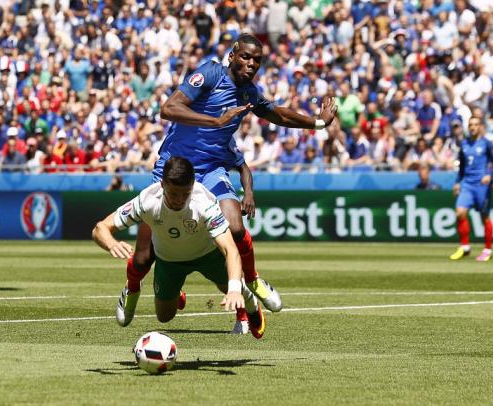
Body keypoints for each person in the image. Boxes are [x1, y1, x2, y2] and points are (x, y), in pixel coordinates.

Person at [118, 32, 337, 334]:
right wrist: (216, 121)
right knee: (144, 256)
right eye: (245, 57)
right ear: (233, 55)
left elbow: (278, 115)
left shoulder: (249, 94)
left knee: (235, 227)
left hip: (210, 170)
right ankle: (132, 289)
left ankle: (253, 281)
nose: (250, 64)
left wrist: (319, 122)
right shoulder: (210, 73)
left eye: (257, 60)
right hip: (173, 170)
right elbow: (168, 109)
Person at [92, 157, 265, 338]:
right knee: (164, 317)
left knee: (234, 289)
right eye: (174, 194)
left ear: (193, 185)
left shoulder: (204, 203)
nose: (180, 200)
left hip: (208, 256)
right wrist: (112, 243)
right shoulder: (147, 200)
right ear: (162, 185)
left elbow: (231, 250)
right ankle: (172, 293)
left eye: (185, 193)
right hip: (169, 262)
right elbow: (100, 228)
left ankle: (251, 302)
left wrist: (235, 289)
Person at [450, 116, 493, 262]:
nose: (473, 127)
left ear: (480, 127)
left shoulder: (486, 144)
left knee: (484, 217)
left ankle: (487, 250)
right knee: (460, 213)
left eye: (476, 125)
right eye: (470, 124)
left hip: (482, 185)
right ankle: (465, 247)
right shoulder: (464, 144)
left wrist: (489, 175)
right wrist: (458, 182)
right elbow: (462, 167)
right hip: (467, 185)